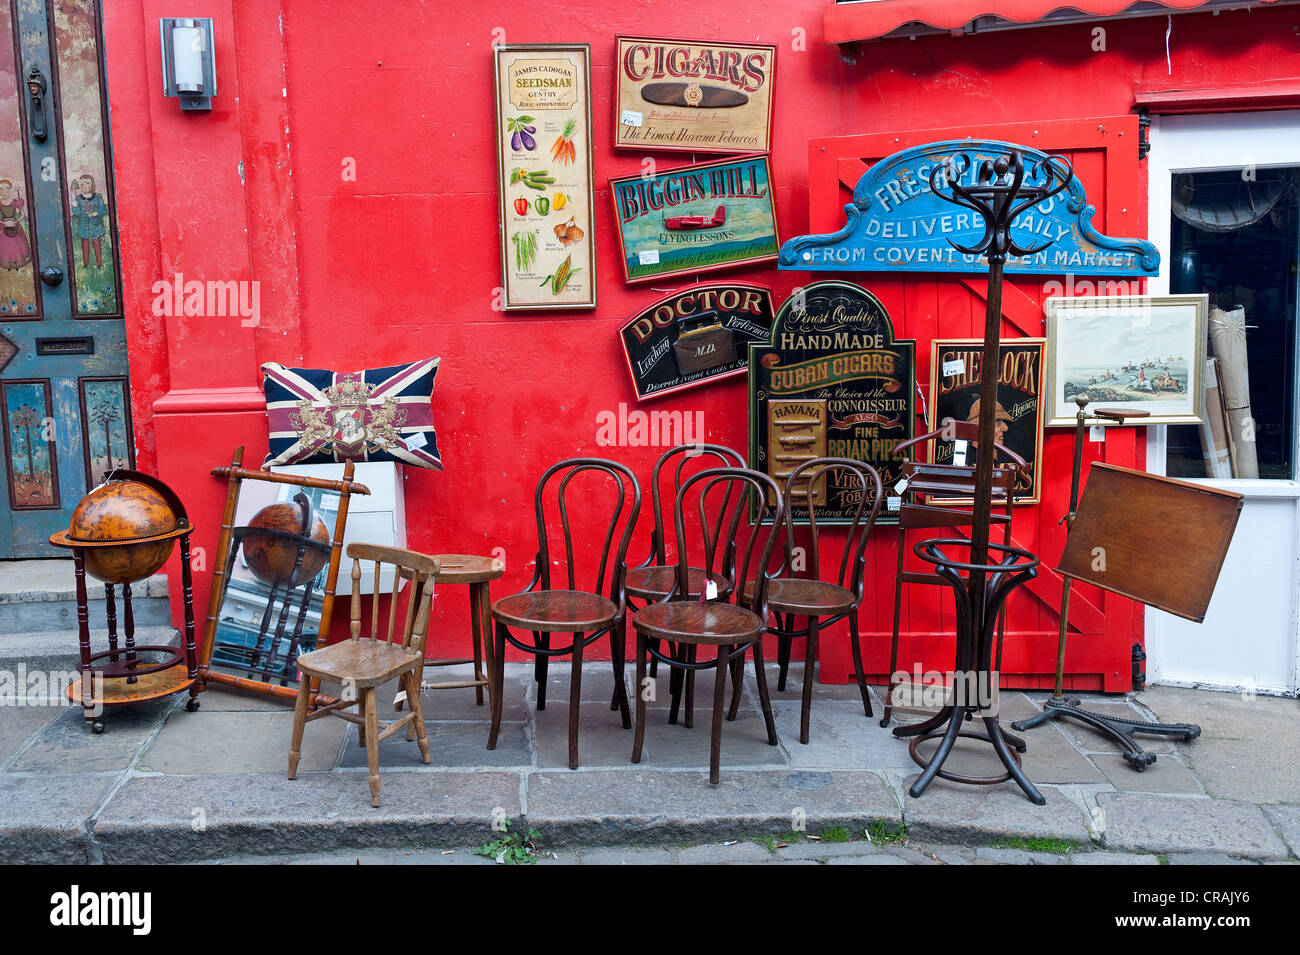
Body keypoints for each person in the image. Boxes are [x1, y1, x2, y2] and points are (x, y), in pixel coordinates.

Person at [70, 173, 108, 269]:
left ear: (92, 185)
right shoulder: (78, 198)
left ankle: (99, 264)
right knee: (85, 245)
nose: (84, 186)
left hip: (96, 225)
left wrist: (96, 213)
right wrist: (75, 207)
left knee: (96, 244)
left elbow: (102, 210)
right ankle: (86, 264)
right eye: (82, 184)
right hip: (83, 226)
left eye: (87, 183)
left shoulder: (98, 197)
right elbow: (78, 214)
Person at [0, 178, 32, 270]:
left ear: (10, 190)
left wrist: (15, 221)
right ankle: (7, 264)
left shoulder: (15, 202)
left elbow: (22, 215)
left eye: (6, 188)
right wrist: (2, 222)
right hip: (4, 225)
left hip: (14, 224)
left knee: (17, 244)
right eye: (1, 189)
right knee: (5, 245)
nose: (4, 191)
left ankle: (17, 264)